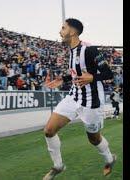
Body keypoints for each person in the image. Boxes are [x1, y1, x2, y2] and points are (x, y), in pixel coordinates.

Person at [43, 18, 115, 180]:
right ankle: (58, 166)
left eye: (63, 28)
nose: (60, 31)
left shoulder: (89, 50)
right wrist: (62, 79)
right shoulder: (71, 51)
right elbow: (76, 72)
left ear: (72, 32)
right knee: (49, 130)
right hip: (73, 97)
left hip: (91, 102)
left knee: (94, 139)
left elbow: (108, 73)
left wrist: (92, 78)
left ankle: (110, 159)